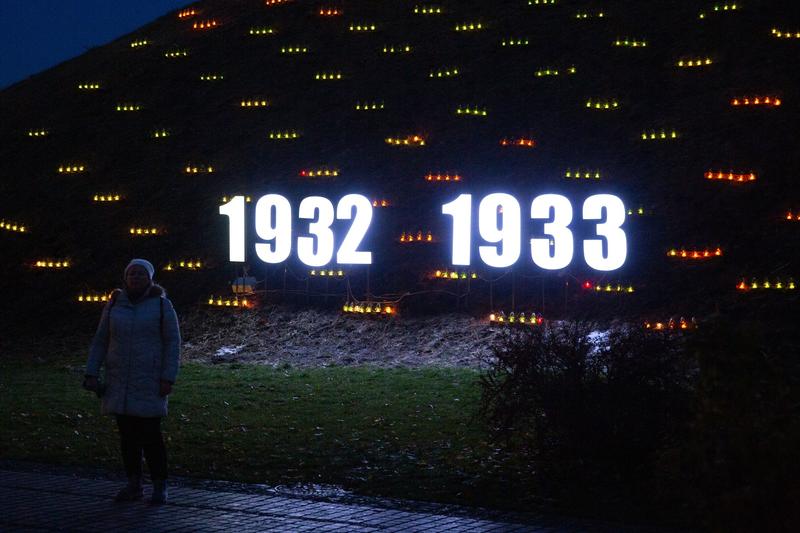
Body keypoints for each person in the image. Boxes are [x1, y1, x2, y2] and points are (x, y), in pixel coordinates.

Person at [83, 259, 181, 504]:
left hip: (149, 379)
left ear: (150, 278)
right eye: (131, 273)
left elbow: (172, 343)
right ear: (125, 278)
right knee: (127, 437)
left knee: (151, 436)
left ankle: (160, 484)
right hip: (119, 380)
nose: (135, 277)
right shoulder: (115, 304)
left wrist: (168, 377)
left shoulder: (161, 306)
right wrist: (91, 372)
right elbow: (101, 339)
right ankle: (133, 483)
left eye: (140, 274)